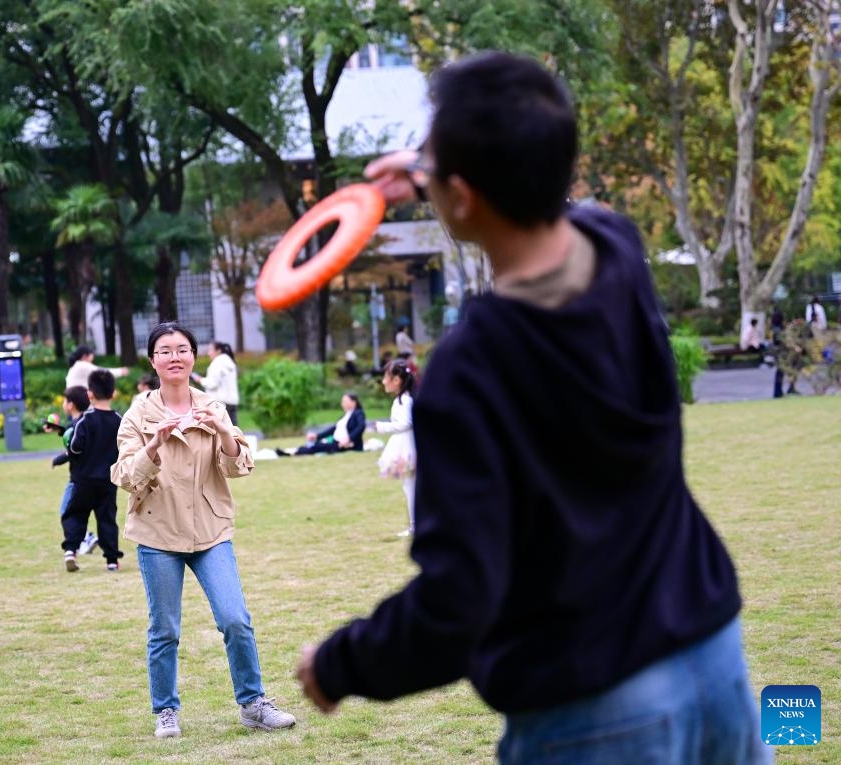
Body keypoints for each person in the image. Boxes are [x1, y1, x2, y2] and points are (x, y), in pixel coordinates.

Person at [295, 52, 767, 764]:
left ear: (459, 197)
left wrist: (339, 664)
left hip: (593, 707)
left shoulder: (468, 368)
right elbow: (525, 194)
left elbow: (460, 600)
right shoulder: (616, 251)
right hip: (710, 651)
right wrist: (436, 172)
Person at [111, 321, 296, 739]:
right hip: (159, 533)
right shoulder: (138, 415)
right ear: (152, 360)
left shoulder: (212, 407)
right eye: (165, 350)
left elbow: (238, 465)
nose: (174, 357)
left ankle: (253, 703)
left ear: (193, 357)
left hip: (211, 530)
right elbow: (123, 474)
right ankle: (166, 711)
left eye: (182, 349)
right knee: (165, 628)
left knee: (235, 619)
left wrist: (225, 433)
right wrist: (153, 445)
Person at [61, 370, 124, 572]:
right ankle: (112, 560)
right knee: (107, 518)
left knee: (75, 514)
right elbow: (123, 447)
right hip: (108, 480)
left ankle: (71, 550)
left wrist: (68, 446)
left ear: (90, 394)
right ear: (113, 393)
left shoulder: (85, 420)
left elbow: (76, 448)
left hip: (84, 479)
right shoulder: (118, 420)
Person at [46, 385, 98, 556]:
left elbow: (73, 448)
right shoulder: (86, 422)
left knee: (66, 511)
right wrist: (56, 429)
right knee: (80, 512)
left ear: (71, 405)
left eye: (64, 400)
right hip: (93, 477)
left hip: (78, 478)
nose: (62, 403)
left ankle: (85, 539)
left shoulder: (78, 425)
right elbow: (71, 432)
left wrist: (58, 459)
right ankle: (86, 539)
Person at [371, 359, 417, 537]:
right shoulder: (403, 399)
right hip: (406, 445)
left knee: (410, 487)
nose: (383, 381)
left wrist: (383, 427)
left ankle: (415, 525)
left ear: (396, 380)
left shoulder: (404, 400)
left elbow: (406, 423)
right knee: (410, 486)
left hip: (408, 447)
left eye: (385, 377)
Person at [275, 393, 365, 456]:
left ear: (354, 402)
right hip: (336, 442)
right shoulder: (345, 416)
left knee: (318, 446)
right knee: (316, 444)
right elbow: (333, 429)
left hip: (347, 445)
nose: (342, 404)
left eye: (345, 401)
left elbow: (361, 426)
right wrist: (317, 436)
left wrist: (349, 439)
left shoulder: (358, 413)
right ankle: (294, 451)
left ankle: (292, 453)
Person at [190, 340, 240, 425]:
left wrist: (200, 380)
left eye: (210, 350)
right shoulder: (229, 361)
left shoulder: (217, 363)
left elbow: (212, 383)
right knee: (233, 430)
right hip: (231, 401)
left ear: (218, 351)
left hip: (220, 403)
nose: (208, 353)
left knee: (221, 432)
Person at [65, 344, 130, 390]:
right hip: (78, 401)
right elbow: (100, 372)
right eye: (91, 354)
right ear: (85, 356)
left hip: (75, 399)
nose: (93, 357)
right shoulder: (82, 365)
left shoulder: (77, 365)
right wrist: (121, 371)